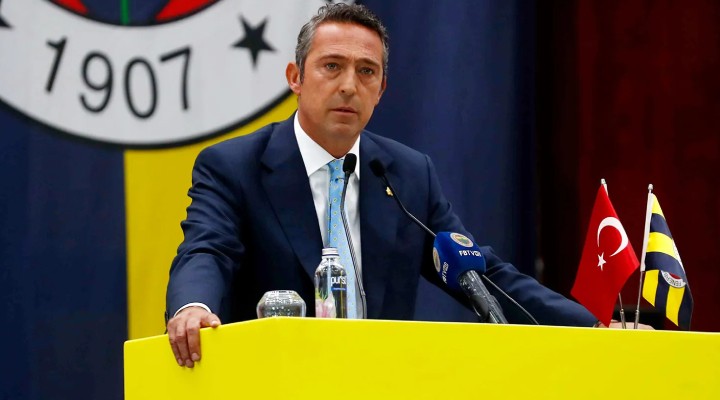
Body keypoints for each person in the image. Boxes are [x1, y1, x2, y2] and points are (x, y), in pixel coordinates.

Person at [166, 4, 647, 369]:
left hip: (382, 380)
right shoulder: (235, 166)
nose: (349, 85)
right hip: (276, 379)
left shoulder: (407, 174)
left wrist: (592, 326)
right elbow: (207, 250)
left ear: (381, 89)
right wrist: (193, 306)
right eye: (332, 66)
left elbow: (479, 273)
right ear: (295, 77)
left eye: (366, 71)